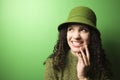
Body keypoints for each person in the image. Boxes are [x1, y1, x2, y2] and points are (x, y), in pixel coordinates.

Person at [44, 6, 112, 80]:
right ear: (65, 34)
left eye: (83, 30)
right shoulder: (53, 63)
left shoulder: (101, 64)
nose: (76, 36)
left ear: (92, 36)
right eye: (71, 29)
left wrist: (83, 77)